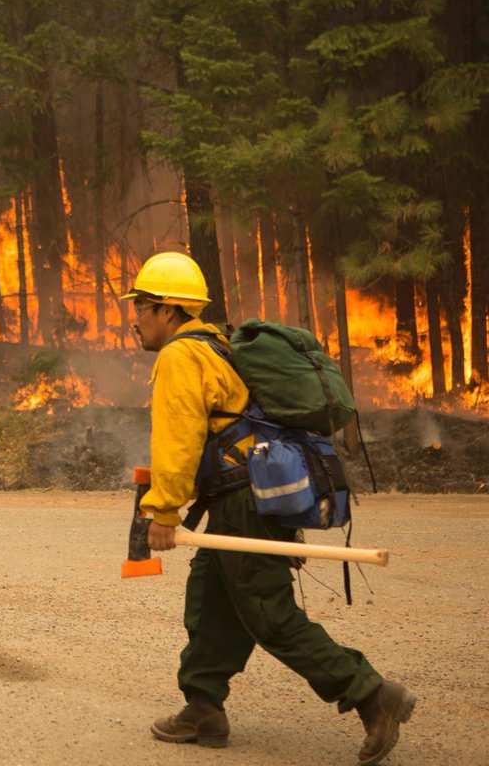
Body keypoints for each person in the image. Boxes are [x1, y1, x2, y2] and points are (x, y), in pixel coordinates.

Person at [123, 252, 414, 766]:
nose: (135, 316)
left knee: (268, 613)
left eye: (142, 305)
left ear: (167, 310)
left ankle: (371, 693)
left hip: (245, 500)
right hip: (251, 494)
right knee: (211, 597)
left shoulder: (181, 356)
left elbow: (178, 440)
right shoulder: (217, 345)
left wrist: (162, 513)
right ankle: (203, 708)